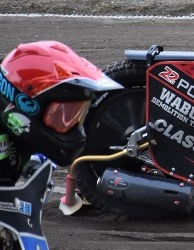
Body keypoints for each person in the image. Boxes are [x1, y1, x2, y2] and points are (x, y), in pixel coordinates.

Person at [0, 41, 121, 181]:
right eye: (60, 113)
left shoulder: (14, 136)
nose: (70, 122)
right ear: (24, 103)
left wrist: (36, 159)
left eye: (76, 113)